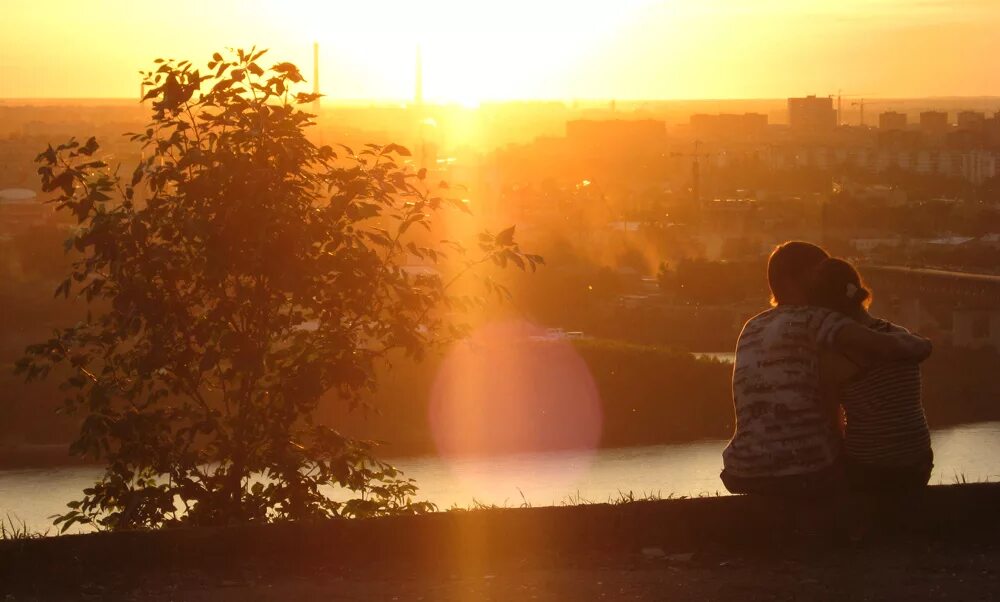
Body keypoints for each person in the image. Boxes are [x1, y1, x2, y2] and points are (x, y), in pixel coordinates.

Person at [720, 241, 932, 497]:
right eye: (820, 273)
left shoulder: (751, 326)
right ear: (798, 278)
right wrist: (921, 344)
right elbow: (889, 347)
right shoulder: (820, 320)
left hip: (742, 467)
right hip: (806, 470)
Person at [809, 258, 933, 492]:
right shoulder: (899, 336)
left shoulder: (836, 354)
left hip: (872, 470)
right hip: (919, 463)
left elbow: (831, 422)